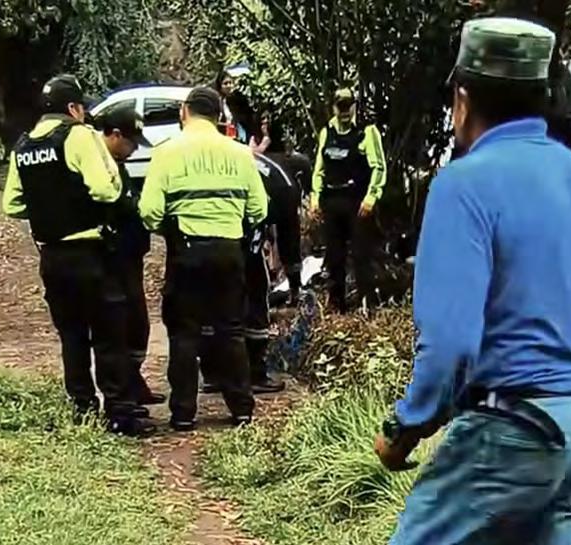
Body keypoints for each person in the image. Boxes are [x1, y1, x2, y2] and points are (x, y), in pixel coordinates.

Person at [376, 18, 571, 544]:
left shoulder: (464, 184)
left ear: (462, 98)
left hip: (509, 429)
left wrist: (406, 427)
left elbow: (451, 342)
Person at [2, 74, 152, 436]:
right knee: (109, 335)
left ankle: (83, 409)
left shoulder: (23, 145)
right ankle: (120, 414)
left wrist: (48, 210)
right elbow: (104, 191)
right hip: (90, 253)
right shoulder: (79, 135)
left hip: (52, 258)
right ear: (73, 108)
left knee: (72, 337)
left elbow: (12, 204)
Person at [139, 86, 268, 431]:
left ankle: (183, 413)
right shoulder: (240, 153)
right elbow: (259, 209)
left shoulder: (166, 153)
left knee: (184, 332)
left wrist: (170, 228)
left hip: (186, 250)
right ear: (218, 116)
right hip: (229, 250)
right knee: (231, 330)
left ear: (184, 112)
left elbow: (149, 212)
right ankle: (242, 409)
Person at [202, 148, 302, 394]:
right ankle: (254, 373)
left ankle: (213, 374)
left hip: (205, 237)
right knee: (255, 300)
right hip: (241, 237)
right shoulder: (287, 188)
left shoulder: (234, 159)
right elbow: (289, 240)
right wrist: (295, 284)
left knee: (212, 302)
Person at [92, 101, 167, 408]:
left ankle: (133, 382)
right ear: (115, 135)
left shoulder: (117, 165)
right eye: (131, 142)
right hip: (111, 259)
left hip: (130, 256)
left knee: (137, 324)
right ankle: (123, 392)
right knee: (119, 326)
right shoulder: (97, 166)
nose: (135, 149)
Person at [309, 88, 387, 313]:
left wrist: (371, 197)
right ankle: (336, 305)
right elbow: (319, 169)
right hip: (332, 201)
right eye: (340, 106)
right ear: (334, 107)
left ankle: (367, 304)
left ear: (354, 105)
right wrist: (315, 198)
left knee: (362, 254)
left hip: (357, 203)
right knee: (334, 256)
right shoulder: (327, 131)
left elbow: (378, 167)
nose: (344, 111)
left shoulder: (367, 131)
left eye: (348, 105)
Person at [214, 68, 259, 144]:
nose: (229, 86)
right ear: (220, 87)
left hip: (238, 136)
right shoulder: (216, 102)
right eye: (225, 83)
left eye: (230, 83)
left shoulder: (237, 100)